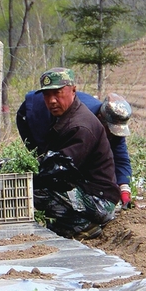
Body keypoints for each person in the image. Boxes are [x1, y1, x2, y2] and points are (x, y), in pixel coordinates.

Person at [16, 67, 120, 238]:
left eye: (57, 93)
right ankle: (64, 225)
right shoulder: (66, 117)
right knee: (39, 185)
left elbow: (58, 170)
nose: (52, 100)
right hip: (87, 190)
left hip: (100, 201)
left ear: (73, 90)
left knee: (32, 190)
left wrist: (25, 173)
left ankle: (82, 226)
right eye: (47, 95)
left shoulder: (80, 126)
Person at [18, 86, 134, 206]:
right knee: (49, 161)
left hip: (57, 116)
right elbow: (65, 157)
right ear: (100, 118)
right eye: (109, 130)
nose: (111, 134)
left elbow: (121, 158)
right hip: (33, 113)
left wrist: (124, 188)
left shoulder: (114, 124)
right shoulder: (82, 124)